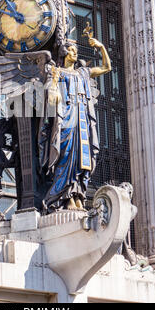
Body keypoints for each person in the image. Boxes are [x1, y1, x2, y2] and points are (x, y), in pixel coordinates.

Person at [40, 37, 112, 213]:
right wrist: (54, 84)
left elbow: (106, 67)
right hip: (66, 122)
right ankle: (64, 198)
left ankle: (78, 196)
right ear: (64, 53)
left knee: (81, 160)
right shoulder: (56, 72)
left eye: (76, 51)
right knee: (66, 157)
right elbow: (51, 99)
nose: (75, 53)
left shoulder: (83, 73)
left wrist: (101, 47)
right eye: (72, 50)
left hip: (83, 123)